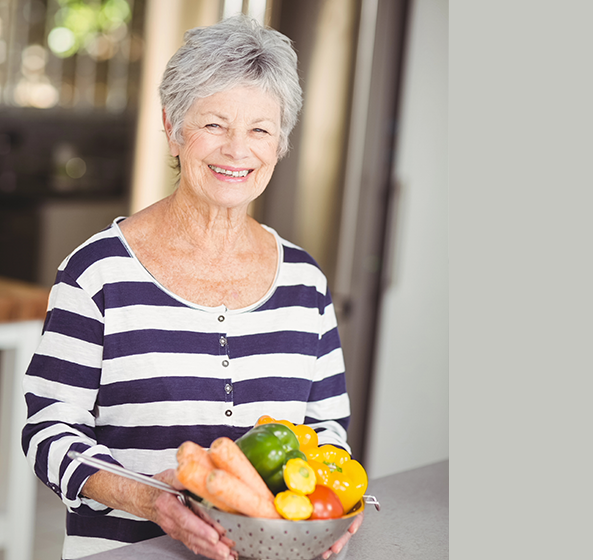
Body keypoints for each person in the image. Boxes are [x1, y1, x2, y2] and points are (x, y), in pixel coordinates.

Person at [22, 14, 361, 560]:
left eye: (260, 129)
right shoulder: (98, 272)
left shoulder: (305, 282)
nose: (237, 150)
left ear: (280, 144)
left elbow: (326, 431)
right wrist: (151, 499)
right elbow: (48, 432)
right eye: (214, 124)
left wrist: (323, 514)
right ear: (172, 128)